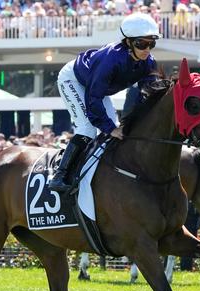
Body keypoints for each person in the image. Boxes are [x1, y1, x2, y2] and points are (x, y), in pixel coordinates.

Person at [48, 12, 160, 192]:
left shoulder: (148, 63)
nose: (147, 49)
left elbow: (146, 96)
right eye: (142, 43)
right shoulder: (110, 59)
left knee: (114, 128)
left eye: (151, 43)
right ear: (129, 42)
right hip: (74, 80)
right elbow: (93, 99)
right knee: (88, 128)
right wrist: (110, 128)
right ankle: (60, 175)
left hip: (97, 87)